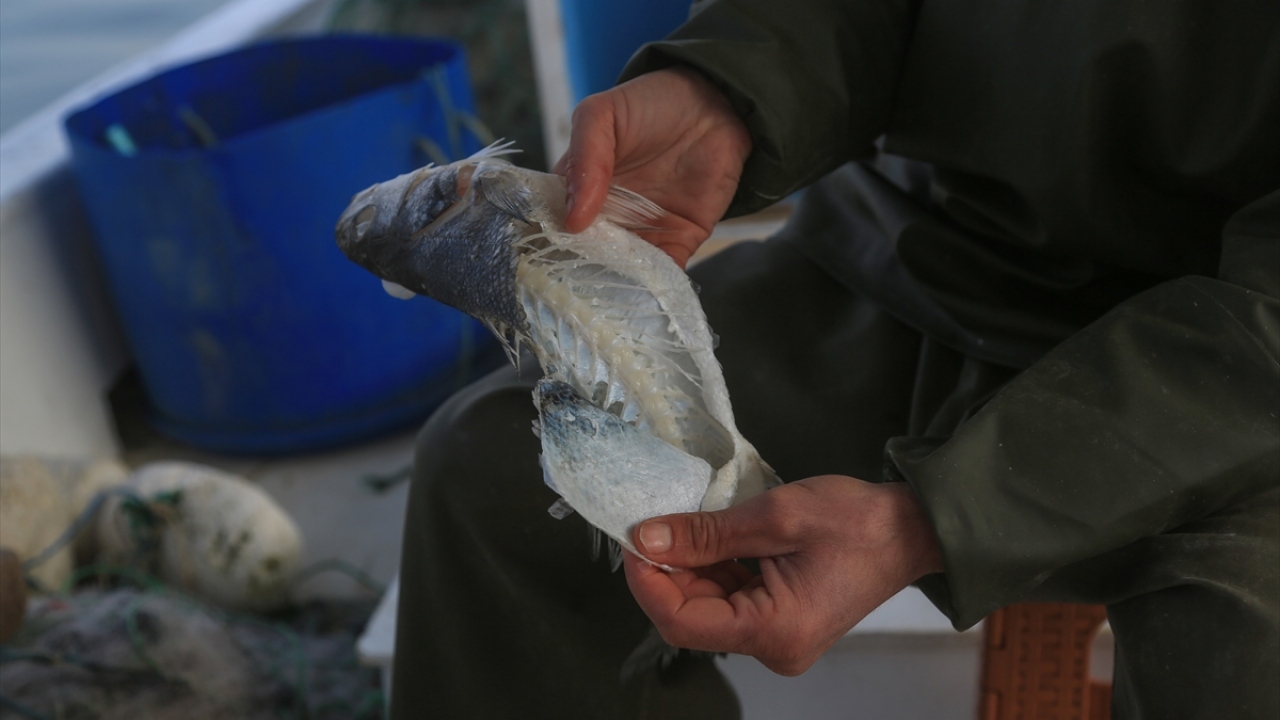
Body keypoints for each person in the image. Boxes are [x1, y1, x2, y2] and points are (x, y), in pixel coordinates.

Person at [390, 0, 1279, 717]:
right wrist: (731, 87)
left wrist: (940, 516)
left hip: (1236, 380)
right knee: (490, 468)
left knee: (1236, 658)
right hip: (929, 257)